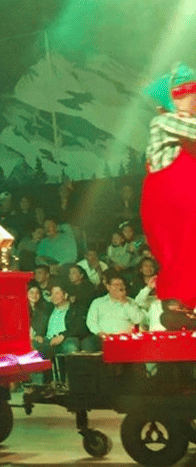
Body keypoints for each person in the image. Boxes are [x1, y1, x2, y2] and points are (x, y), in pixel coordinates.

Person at [141, 63, 196, 326]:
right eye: (183, 92)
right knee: (182, 253)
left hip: (184, 198)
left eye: (193, 91)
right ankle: (176, 301)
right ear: (171, 99)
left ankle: (183, 307)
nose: (192, 97)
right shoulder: (163, 121)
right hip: (166, 200)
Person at [32, 284, 88, 384]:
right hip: (48, 341)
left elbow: (81, 327)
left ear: (65, 295)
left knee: (71, 347)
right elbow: (40, 324)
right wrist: (39, 335)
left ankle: (72, 385)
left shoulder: (75, 309)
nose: (54, 296)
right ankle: (38, 386)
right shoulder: (48, 309)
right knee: (32, 347)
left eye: (57, 293)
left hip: (66, 339)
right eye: (52, 294)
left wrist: (63, 336)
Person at [83, 273, 145, 352]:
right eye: (115, 285)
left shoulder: (130, 302)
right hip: (102, 337)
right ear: (108, 287)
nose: (119, 287)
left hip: (125, 338)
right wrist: (99, 333)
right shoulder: (98, 302)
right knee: (88, 343)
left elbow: (138, 320)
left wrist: (124, 302)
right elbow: (91, 322)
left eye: (121, 284)